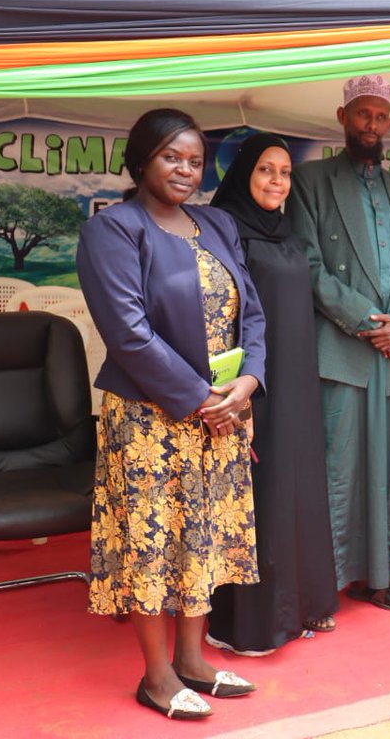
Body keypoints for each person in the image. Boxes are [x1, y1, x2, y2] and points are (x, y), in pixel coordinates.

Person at [77, 108, 266, 720]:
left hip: (220, 415)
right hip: (150, 421)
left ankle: (194, 660)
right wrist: (200, 400)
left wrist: (248, 382)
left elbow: (252, 314)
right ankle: (157, 676)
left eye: (194, 160)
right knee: (153, 543)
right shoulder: (115, 229)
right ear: (140, 161)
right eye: (170, 157)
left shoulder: (216, 224)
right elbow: (128, 334)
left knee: (201, 535)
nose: (186, 170)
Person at [287, 75, 390, 614]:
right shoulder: (310, 181)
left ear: (388, 124)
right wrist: (365, 320)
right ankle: (326, 586)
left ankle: (387, 576)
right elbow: (307, 264)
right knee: (340, 470)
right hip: (344, 350)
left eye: (380, 117)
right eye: (362, 115)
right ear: (343, 117)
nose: (371, 125)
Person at [206, 133, 339, 655]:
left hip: (297, 383)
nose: (277, 181)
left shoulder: (287, 232)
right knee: (257, 498)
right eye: (265, 170)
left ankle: (298, 607)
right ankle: (250, 624)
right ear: (243, 174)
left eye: (284, 172)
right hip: (251, 386)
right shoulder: (223, 231)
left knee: (295, 488)